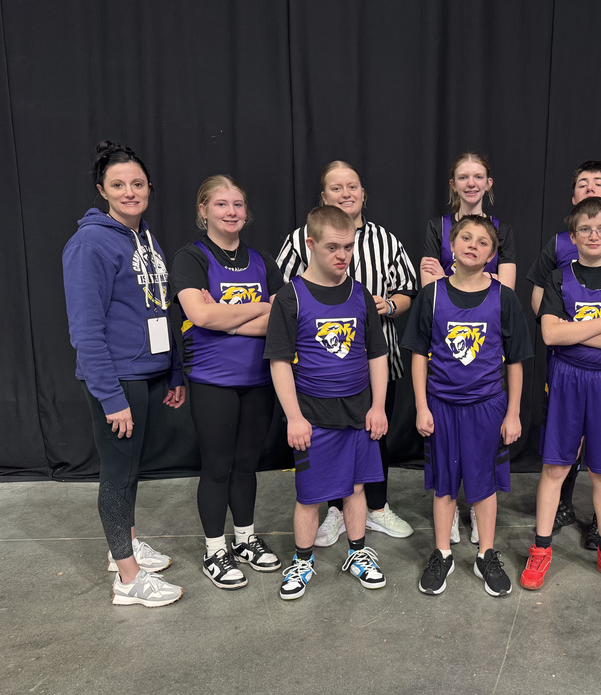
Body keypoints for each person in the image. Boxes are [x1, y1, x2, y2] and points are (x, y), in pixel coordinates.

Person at [62, 140, 185, 607]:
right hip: (117, 378)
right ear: (102, 190)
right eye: (118, 185)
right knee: (116, 475)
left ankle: (125, 549)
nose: (130, 191)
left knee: (132, 470)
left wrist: (172, 369)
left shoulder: (147, 237)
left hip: (149, 371)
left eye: (137, 183)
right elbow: (86, 331)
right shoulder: (89, 244)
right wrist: (111, 397)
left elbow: (160, 310)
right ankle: (128, 582)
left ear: (148, 186)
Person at [276, 161, 418, 547]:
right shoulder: (298, 242)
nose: (346, 194)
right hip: (318, 373)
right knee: (324, 455)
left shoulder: (386, 241)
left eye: (352, 186)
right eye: (336, 188)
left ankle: (376, 508)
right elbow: (283, 297)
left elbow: (408, 291)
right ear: (324, 197)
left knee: (372, 438)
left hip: (370, 364)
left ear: (363, 193)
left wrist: (383, 306)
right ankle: (334, 514)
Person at [402, 215, 532, 596]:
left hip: (487, 406)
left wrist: (513, 412)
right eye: (466, 238)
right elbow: (418, 356)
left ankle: (486, 554)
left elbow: (516, 359)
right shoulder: (432, 294)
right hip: (441, 405)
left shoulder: (504, 298)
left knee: (484, 483)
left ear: (492, 255)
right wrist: (421, 406)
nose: (473, 245)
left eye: (483, 242)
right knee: (444, 484)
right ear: (452, 245)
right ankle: (442, 552)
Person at [521, 198, 601, 592]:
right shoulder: (560, 277)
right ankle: (541, 549)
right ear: (572, 236)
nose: (594, 235)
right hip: (567, 379)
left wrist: (583, 328)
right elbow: (550, 334)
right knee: (556, 466)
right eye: (586, 230)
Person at [266, 205, 390, 600]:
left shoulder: (359, 295)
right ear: (311, 244)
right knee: (310, 496)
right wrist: (294, 418)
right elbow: (280, 362)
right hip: (313, 415)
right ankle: (302, 561)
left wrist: (379, 406)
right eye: (333, 247)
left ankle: (356, 553)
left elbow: (377, 354)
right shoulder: (291, 297)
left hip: (358, 411)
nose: (342, 255)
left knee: (355, 489)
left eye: (349, 247)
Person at [170, 175, 283, 589]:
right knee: (218, 466)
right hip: (212, 380)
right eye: (221, 204)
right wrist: (245, 312)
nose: (231, 212)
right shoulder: (191, 257)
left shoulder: (263, 260)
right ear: (203, 211)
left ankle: (246, 539)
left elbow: (280, 319)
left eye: (237, 204)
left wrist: (227, 320)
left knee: (246, 464)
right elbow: (200, 317)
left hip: (258, 379)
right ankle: (215, 549)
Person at [420, 152, 518, 545]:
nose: (472, 182)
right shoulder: (436, 226)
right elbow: (429, 286)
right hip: (445, 352)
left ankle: (480, 512)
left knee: (481, 454)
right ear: (453, 184)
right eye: (464, 176)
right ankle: (450, 522)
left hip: (484, 355)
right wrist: (459, 277)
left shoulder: (503, 230)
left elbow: (504, 288)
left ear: (488, 183)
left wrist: (455, 274)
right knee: (449, 461)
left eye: (479, 176)